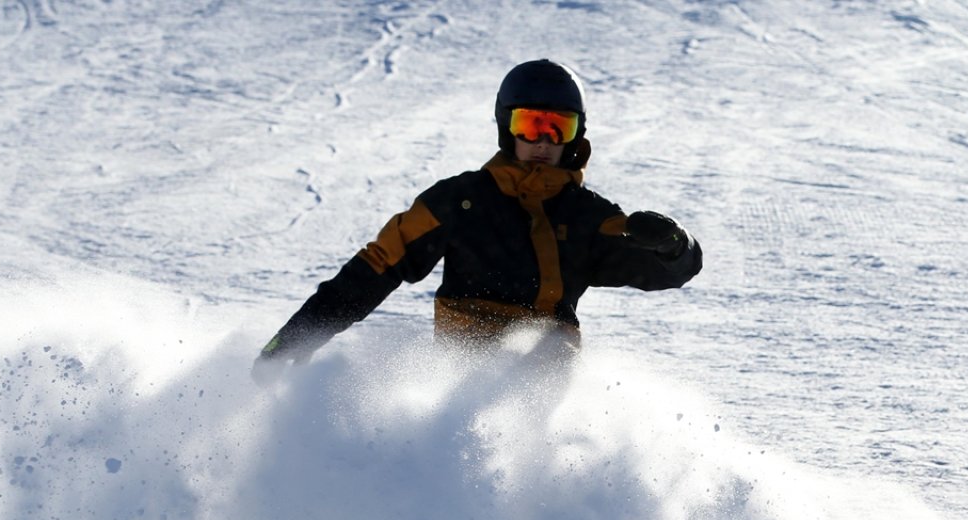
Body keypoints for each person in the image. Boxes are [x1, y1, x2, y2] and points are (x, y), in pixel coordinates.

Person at [252, 59, 703, 383]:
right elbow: (379, 265)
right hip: (461, 368)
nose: (542, 141)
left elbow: (668, 270)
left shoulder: (589, 217)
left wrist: (671, 245)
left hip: (547, 376)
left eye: (557, 128)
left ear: (575, 136)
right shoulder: (461, 200)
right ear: (507, 127)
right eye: (530, 124)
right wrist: (298, 336)